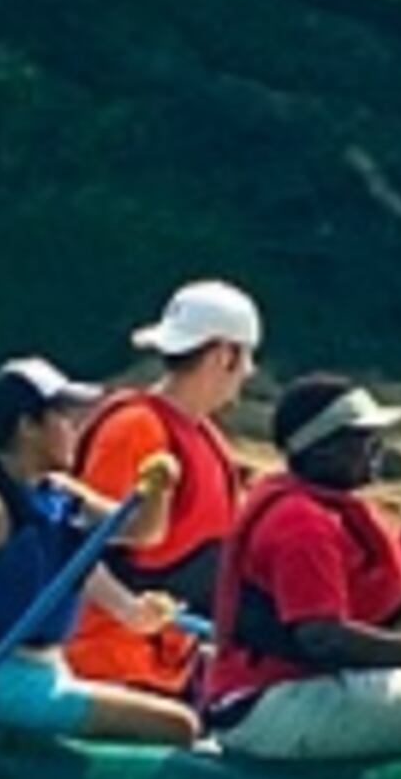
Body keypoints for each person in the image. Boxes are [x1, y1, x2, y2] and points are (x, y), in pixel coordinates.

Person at [0, 359, 202, 746]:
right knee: (179, 726)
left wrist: (159, 490)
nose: (75, 428)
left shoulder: (56, 491)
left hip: (50, 670)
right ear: (27, 427)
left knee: (176, 720)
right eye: (63, 417)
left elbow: (141, 533)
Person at [200, 374, 401, 762]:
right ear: (323, 450)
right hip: (271, 707)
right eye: (364, 437)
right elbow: (321, 638)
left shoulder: (327, 507)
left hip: (306, 688)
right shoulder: (301, 523)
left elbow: (397, 586)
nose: (378, 449)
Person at [63, 278, 261, 698]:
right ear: (223, 355)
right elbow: (71, 540)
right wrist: (126, 610)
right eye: (246, 357)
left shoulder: (206, 437)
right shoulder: (137, 428)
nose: (250, 371)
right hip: (106, 662)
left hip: (166, 666)